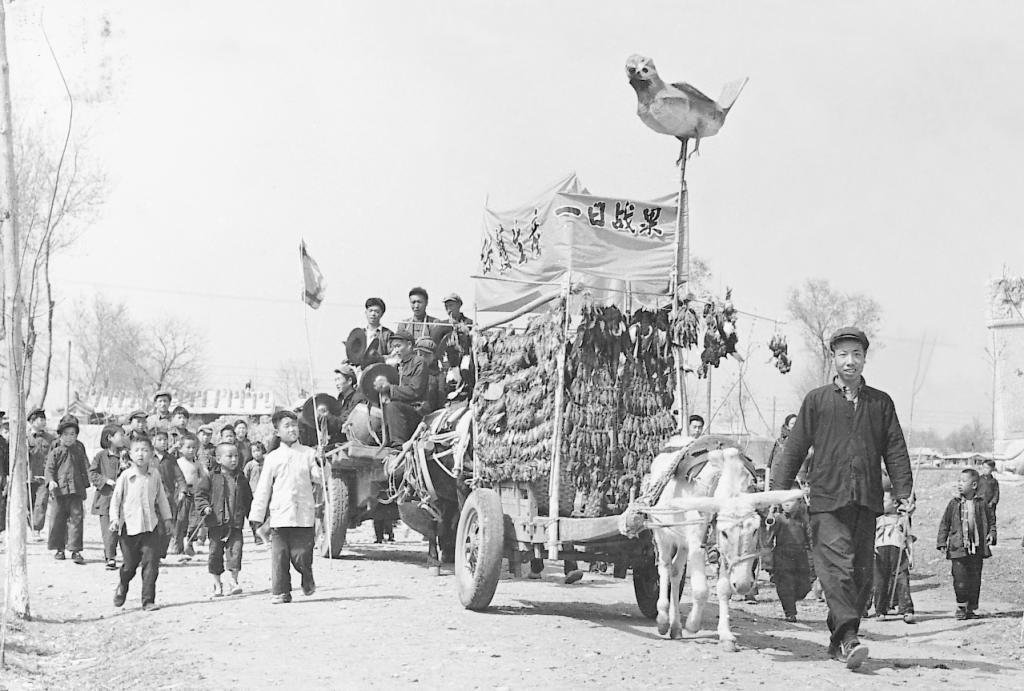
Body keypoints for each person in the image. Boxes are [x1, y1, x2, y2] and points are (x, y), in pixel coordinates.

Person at [771, 326, 913, 670]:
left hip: (865, 500)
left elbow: (895, 449)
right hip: (827, 500)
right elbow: (794, 449)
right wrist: (777, 489)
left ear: (865, 359)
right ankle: (850, 639)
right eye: (843, 355)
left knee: (861, 574)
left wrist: (904, 492)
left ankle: (839, 636)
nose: (850, 361)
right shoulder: (817, 401)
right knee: (837, 569)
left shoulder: (881, 403)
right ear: (834, 359)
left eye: (857, 355)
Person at [248, 410, 322, 604]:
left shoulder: (309, 453)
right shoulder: (272, 457)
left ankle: (307, 576)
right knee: (279, 556)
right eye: (287, 426)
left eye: (294, 425)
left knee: (302, 555)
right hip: (280, 515)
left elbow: (319, 478)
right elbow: (263, 488)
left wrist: (322, 463)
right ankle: (281, 591)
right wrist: (256, 516)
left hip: (303, 513)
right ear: (277, 431)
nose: (292, 429)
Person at [109, 435, 174, 610]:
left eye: (145, 450)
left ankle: (148, 601)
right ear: (130, 454)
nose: (141, 454)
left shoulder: (155, 475)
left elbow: (161, 498)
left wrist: (167, 519)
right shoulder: (125, 476)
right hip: (129, 529)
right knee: (130, 566)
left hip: (150, 527)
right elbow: (115, 500)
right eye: (137, 450)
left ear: (152, 454)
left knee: (151, 565)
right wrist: (115, 519)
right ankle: (123, 585)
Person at [195, 442, 253, 596]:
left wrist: (254, 522)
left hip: (235, 523)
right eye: (230, 456)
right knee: (215, 553)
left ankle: (233, 581)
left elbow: (248, 501)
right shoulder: (211, 476)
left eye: (236, 456)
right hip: (216, 523)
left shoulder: (241, 478)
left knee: (236, 551)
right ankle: (216, 582)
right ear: (219, 459)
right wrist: (205, 507)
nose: (234, 460)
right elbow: (200, 495)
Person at [937, 467, 993, 620]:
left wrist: (991, 534)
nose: (959, 484)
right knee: (960, 579)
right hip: (958, 548)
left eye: (963, 481)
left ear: (974, 485)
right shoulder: (954, 504)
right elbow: (945, 523)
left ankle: (971, 609)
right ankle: (961, 607)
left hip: (977, 549)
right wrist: (942, 542)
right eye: (958, 481)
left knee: (974, 579)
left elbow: (991, 521)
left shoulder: (982, 503)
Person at [44, 415, 90, 564]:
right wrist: (51, 481)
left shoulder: (79, 450)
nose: (69, 438)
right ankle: (60, 549)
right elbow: (49, 469)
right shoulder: (56, 452)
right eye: (66, 434)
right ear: (60, 435)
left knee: (77, 519)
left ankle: (75, 550)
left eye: (73, 434)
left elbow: (85, 467)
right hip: (59, 491)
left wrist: (87, 483)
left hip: (76, 490)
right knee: (58, 519)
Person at [376, 331, 429, 446]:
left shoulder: (419, 362)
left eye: (398, 346)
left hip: (415, 411)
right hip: (400, 413)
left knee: (392, 406)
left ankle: (398, 445)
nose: (396, 350)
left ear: (409, 345)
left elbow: (415, 391)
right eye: (394, 347)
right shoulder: (398, 365)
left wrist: (389, 389)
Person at [872, 486, 915, 623]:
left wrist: (911, 555)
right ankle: (880, 610)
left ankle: (906, 609)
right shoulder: (878, 519)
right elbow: (871, 535)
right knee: (880, 581)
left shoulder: (902, 519)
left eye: (884, 501)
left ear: (895, 503)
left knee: (902, 579)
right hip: (880, 552)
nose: (880, 504)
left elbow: (908, 537)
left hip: (898, 552)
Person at [770, 491, 814, 622]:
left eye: (792, 500)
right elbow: (768, 535)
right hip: (782, 555)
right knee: (785, 584)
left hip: (801, 555)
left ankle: (791, 598)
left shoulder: (804, 519)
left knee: (805, 586)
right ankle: (790, 612)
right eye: (784, 501)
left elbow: (811, 537)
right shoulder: (777, 518)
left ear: (799, 502)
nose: (787, 503)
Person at [89, 424, 128, 570]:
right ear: (110, 438)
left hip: (124, 499)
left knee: (125, 529)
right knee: (109, 530)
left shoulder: (126, 455)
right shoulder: (100, 456)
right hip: (105, 498)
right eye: (120, 435)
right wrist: (105, 480)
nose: (123, 438)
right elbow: (92, 473)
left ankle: (128, 556)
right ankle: (110, 557)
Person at [152, 430, 183, 560]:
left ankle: (160, 553)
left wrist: (182, 489)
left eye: (165, 439)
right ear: (153, 441)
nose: (163, 442)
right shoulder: (148, 458)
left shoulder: (170, 459)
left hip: (168, 497)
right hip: (151, 498)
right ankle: (152, 555)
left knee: (167, 527)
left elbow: (179, 476)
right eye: (159, 439)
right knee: (154, 527)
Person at [173, 434, 204, 559]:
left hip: (195, 493)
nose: (191, 450)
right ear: (180, 448)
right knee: (181, 520)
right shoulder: (177, 463)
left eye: (194, 447)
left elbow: (203, 476)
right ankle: (178, 544)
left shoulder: (197, 464)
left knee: (195, 519)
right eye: (188, 447)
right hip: (182, 493)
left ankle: (190, 540)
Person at [27, 407, 55, 537]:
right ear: (32, 421)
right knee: (28, 504)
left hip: (43, 477)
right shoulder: (24, 437)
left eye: (44, 419)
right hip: (28, 477)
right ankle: (30, 527)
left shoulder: (50, 438)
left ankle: (36, 530)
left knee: (41, 503)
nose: (43, 422)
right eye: (40, 419)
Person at [244, 441, 267, 544]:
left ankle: (265, 534)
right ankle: (257, 537)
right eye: (253, 451)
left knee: (266, 514)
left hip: (266, 492)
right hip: (253, 493)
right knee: (255, 516)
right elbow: (245, 478)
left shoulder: (267, 463)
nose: (256, 453)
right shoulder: (250, 465)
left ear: (263, 450)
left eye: (258, 450)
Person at [361, 297, 393, 366]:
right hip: (360, 370)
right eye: (370, 310)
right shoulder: (360, 333)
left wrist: (379, 358)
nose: (373, 314)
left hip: (379, 371)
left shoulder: (388, 334)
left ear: (382, 314)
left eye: (377, 311)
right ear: (366, 312)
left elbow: (393, 356)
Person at [334, 364, 366, 429]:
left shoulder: (358, 398)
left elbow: (347, 419)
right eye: (335, 380)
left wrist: (329, 417)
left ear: (349, 381)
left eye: (339, 379)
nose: (336, 383)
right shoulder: (341, 400)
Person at [977, 460, 999, 546]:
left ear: (992, 469)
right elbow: (975, 491)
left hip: (990, 506)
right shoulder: (979, 479)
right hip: (979, 505)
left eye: (987, 468)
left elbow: (996, 494)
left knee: (991, 521)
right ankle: (980, 538)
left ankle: (992, 539)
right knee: (980, 520)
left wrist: (993, 502)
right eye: (983, 467)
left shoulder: (994, 481)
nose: (985, 470)